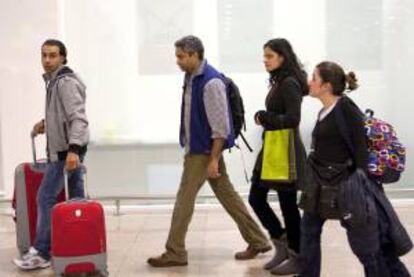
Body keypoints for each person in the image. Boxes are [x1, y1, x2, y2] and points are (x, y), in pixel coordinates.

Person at [147, 35, 271, 267]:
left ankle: (175, 251)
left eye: (181, 56)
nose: (178, 61)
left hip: (203, 152)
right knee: (228, 195)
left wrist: (213, 159)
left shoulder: (211, 82)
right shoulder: (192, 77)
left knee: (184, 200)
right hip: (201, 148)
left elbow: (221, 128)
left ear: (195, 55)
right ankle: (258, 240)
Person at [298, 61, 411, 277]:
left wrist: (361, 187)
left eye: (314, 78)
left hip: (346, 187)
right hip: (322, 185)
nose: (309, 82)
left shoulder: (346, 109)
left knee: (369, 246)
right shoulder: (325, 110)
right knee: (309, 231)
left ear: (326, 86)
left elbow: (360, 149)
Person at [13, 39, 89, 270]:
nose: (47, 60)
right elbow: (64, 115)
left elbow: (78, 118)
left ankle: (43, 252)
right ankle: (79, 245)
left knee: (45, 197)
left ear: (63, 57)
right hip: (69, 149)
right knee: (76, 200)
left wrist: (73, 150)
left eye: (53, 56)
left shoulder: (64, 82)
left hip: (66, 151)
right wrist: (46, 123)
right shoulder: (55, 81)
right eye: (44, 55)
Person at [248, 38, 308, 275]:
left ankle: (297, 255)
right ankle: (282, 243)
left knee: (288, 205)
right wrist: (266, 117)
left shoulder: (290, 83)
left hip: (285, 149)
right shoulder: (280, 81)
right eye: (264, 56)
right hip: (273, 147)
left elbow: (293, 119)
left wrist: (265, 117)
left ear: (283, 57)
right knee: (256, 197)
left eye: (270, 56)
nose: (265, 60)